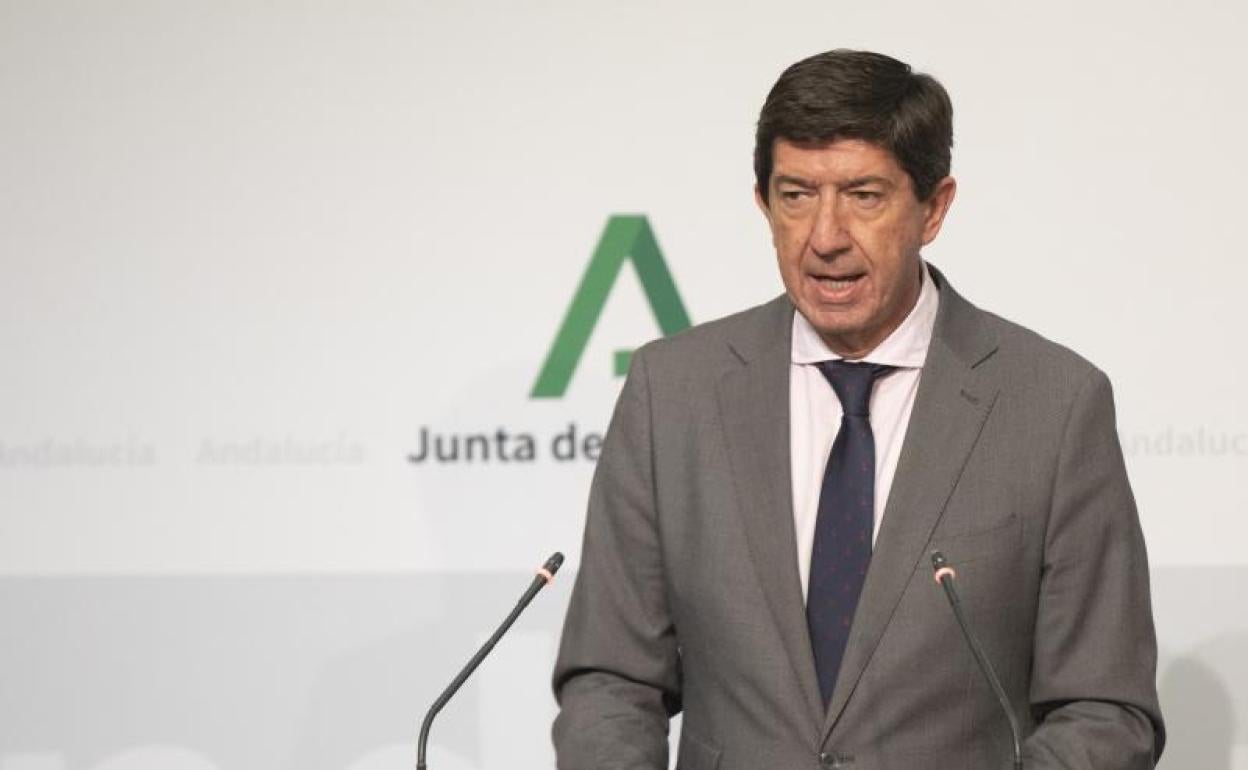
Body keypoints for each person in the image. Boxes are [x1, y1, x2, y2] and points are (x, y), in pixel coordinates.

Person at [552, 49, 1164, 769]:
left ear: (934, 208)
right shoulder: (673, 392)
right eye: (796, 195)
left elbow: (1103, 708)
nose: (825, 237)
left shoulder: (1052, 405)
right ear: (763, 204)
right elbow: (612, 679)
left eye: (863, 196)